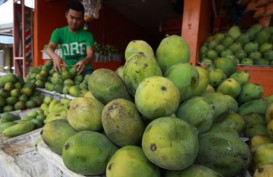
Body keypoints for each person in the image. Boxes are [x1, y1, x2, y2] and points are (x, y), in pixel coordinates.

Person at [46, 0, 94, 75]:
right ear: (66, 15)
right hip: (67, 70)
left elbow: (90, 55)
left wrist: (85, 61)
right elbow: (49, 48)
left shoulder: (88, 35)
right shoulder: (58, 32)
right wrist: (55, 57)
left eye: (78, 19)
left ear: (82, 18)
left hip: (85, 70)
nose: (74, 21)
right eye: (72, 17)